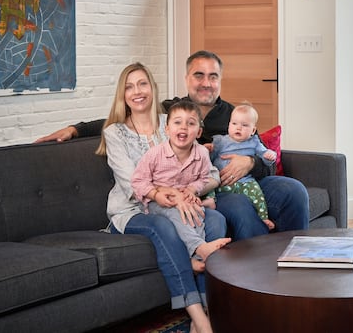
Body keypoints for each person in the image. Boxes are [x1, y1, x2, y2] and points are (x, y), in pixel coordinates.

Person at [36, 50, 309, 240]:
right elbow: (123, 118)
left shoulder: (235, 115)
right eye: (198, 75)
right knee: (236, 206)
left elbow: (263, 156)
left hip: (246, 178)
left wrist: (250, 162)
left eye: (213, 76)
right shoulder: (170, 111)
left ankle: (298, 262)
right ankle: (254, 276)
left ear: (220, 80)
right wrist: (75, 129)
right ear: (187, 79)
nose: (206, 83)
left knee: (293, 190)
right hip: (208, 187)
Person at [95, 63, 226, 333]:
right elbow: (130, 181)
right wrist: (166, 194)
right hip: (133, 211)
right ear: (123, 94)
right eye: (129, 87)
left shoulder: (173, 121)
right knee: (162, 225)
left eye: (142, 83)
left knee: (213, 218)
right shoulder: (115, 133)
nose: (137, 91)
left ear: (152, 88)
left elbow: (212, 174)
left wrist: (191, 192)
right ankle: (199, 316)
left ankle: (206, 313)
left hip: (177, 205)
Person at [132, 99, 232, 264]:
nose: (183, 127)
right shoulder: (154, 154)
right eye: (177, 122)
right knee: (177, 214)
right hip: (159, 202)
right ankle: (200, 249)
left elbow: (204, 178)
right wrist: (156, 195)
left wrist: (193, 190)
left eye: (190, 123)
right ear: (167, 129)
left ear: (199, 132)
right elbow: (138, 181)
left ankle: (195, 258)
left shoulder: (201, 153)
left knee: (196, 214)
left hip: (186, 198)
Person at [210, 103, 276, 231]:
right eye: (234, 124)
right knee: (208, 184)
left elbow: (265, 158)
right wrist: (208, 150)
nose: (238, 128)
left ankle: (263, 216)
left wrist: (268, 157)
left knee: (257, 193)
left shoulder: (254, 142)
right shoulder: (220, 141)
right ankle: (209, 200)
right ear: (228, 125)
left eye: (244, 125)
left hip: (246, 181)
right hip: (221, 182)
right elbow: (209, 159)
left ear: (253, 130)